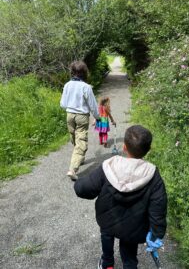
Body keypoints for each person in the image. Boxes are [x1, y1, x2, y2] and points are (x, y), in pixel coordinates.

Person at [74, 125, 167, 269]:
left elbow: (82, 189)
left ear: (124, 147)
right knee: (129, 251)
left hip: (108, 219)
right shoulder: (153, 175)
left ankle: (107, 263)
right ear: (148, 150)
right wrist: (156, 233)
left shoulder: (108, 166)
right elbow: (158, 207)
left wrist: (78, 184)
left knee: (106, 235)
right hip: (134, 226)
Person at [60, 60, 100, 180]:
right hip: (82, 116)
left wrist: (71, 106)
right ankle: (72, 169)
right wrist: (97, 117)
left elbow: (62, 104)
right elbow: (93, 105)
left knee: (74, 138)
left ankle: (79, 157)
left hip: (70, 115)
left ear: (72, 72)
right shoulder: (86, 87)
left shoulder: (67, 85)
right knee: (81, 140)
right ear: (84, 72)